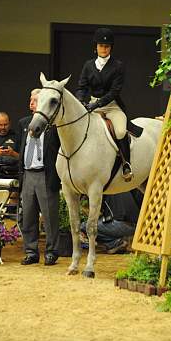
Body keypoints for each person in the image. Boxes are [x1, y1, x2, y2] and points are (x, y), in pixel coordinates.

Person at [75, 27, 132, 181]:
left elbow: (114, 91)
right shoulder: (88, 65)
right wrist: (80, 100)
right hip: (92, 104)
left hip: (111, 105)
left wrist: (97, 104)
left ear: (110, 48)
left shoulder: (118, 66)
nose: (104, 49)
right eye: (101, 46)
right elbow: (82, 86)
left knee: (120, 131)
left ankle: (127, 163)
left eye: (107, 46)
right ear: (96, 47)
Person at [15, 89, 61, 266]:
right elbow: (21, 148)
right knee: (28, 216)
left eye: (35, 100)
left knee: (49, 217)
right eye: (31, 100)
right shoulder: (24, 123)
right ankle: (31, 251)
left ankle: (51, 252)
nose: (31, 103)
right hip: (27, 173)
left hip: (45, 173)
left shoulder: (53, 126)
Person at [80, 189, 143, 254]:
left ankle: (115, 243)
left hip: (123, 225)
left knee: (84, 226)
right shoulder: (123, 187)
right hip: (138, 226)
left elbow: (107, 217)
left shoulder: (103, 193)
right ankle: (118, 243)